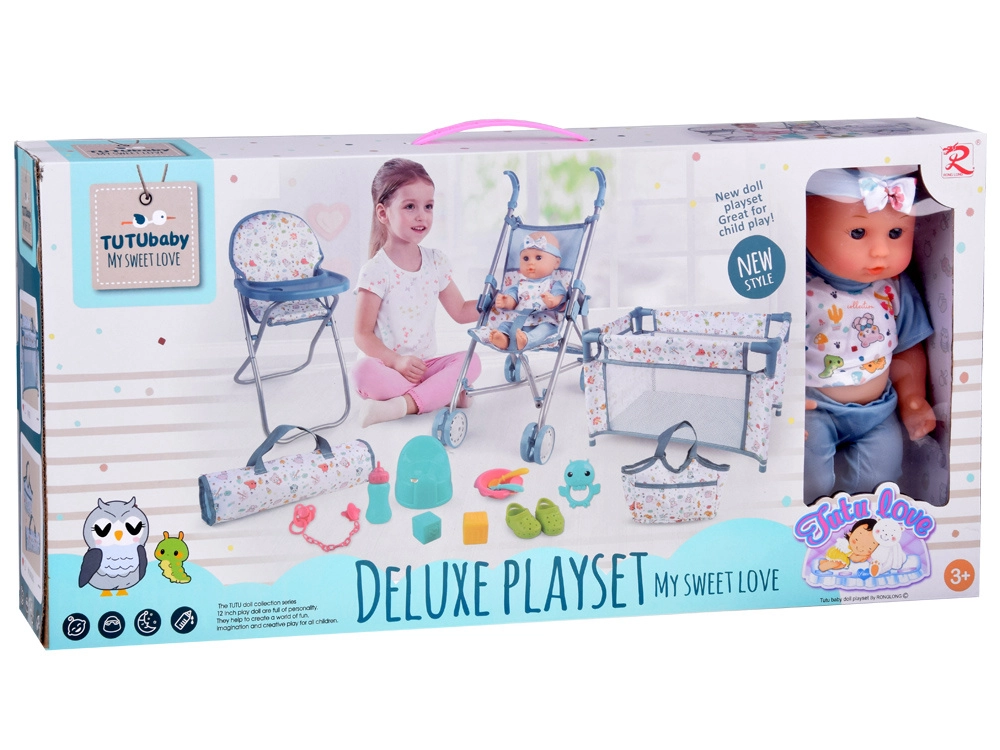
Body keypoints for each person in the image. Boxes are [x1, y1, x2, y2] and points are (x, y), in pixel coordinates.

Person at [803, 167, 937, 505]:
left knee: (880, 481)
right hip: (814, 408)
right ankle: (804, 524)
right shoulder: (800, 286)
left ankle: (858, 533)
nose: (880, 251)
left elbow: (907, 349)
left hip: (878, 412)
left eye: (895, 233)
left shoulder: (894, 288)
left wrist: (912, 398)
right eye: (858, 232)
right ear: (804, 223)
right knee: (810, 478)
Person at [352, 159, 481, 428]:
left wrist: (494, 303)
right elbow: (362, 335)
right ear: (383, 213)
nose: (422, 215)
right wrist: (397, 361)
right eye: (410, 206)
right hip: (387, 368)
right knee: (363, 372)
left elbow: (460, 311)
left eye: (428, 206)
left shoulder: (436, 262)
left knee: (473, 362)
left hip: (424, 367)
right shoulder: (376, 270)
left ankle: (402, 405)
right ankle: (440, 394)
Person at [488, 231, 566, 351]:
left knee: (545, 329)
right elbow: (513, 300)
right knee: (505, 325)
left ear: (556, 263)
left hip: (544, 321)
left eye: (538, 257)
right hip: (519, 322)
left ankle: (528, 340)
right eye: (525, 258)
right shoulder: (519, 285)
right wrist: (506, 302)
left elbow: (561, 297)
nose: (530, 262)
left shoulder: (552, 284)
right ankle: (503, 339)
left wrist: (553, 301)